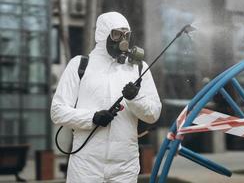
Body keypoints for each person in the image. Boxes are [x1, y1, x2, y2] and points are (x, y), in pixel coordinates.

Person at [51, 12, 162, 183]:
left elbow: (153, 113)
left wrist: (135, 99)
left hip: (125, 167)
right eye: (117, 34)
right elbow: (57, 111)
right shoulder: (80, 66)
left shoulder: (138, 68)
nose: (122, 40)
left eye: (126, 35)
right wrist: (92, 117)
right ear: (103, 35)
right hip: (85, 167)